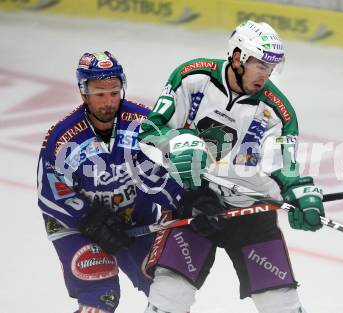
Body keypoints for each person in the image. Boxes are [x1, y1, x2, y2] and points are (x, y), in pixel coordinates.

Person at [139, 21, 326, 313]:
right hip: (194, 208)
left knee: (281, 304)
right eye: (261, 65)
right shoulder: (192, 77)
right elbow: (150, 131)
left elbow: (283, 168)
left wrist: (299, 192)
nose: (266, 75)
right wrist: (175, 142)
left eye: (271, 68)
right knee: (169, 295)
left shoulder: (276, 111)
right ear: (238, 57)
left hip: (249, 214)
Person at [37, 51, 219, 313]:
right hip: (78, 227)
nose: (109, 102)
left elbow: (161, 173)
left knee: (168, 293)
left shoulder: (142, 123)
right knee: (101, 296)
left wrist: (192, 198)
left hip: (136, 223)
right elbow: (51, 196)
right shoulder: (64, 138)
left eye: (114, 92)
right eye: (100, 94)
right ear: (83, 92)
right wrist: (91, 220)